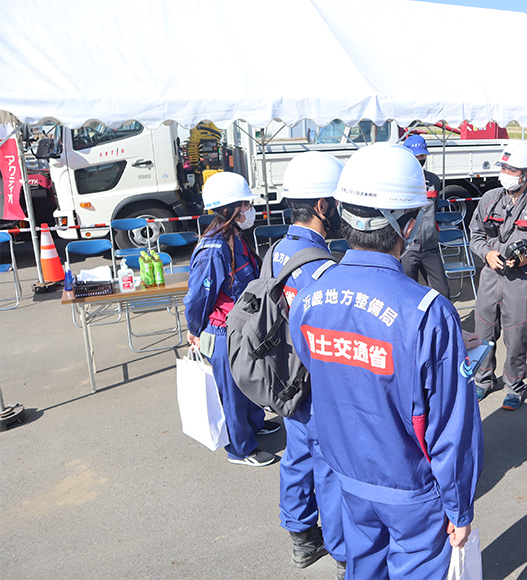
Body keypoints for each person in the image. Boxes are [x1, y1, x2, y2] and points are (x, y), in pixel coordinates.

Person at [287, 143, 483, 580]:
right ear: (408, 224)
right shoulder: (428, 311)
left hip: (345, 477)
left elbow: (313, 370)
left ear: (341, 212)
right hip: (410, 488)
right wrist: (459, 505)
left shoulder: (311, 292)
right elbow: (452, 425)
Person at [272, 152, 346, 576]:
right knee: (331, 467)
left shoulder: (278, 250)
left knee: (296, 456)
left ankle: (302, 539)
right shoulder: (321, 269)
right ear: (324, 206)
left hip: (286, 379)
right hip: (317, 385)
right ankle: (342, 552)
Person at [184, 172, 280, 466]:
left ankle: (253, 424)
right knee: (234, 393)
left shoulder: (234, 236)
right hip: (222, 332)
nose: (250, 209)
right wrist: (195, 330)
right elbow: (198, 297)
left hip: (241, 327)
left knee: (248, 381)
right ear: (230, 208)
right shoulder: (214, 249)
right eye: (245, 204)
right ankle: (240, 449)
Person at [469, 141, 527, 410]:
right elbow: (475, 235)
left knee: (516, 335)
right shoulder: (490, 199)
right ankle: (483, 380)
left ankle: (514, 386)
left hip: (520, 281)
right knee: (483, 331)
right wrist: (486, 253)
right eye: (505, 167)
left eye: (513, 169)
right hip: (490, 276)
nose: (507, 173)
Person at [400, 134, 450, 298]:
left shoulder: (434, 180)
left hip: (430, 247)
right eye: (416, 156)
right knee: (408, 294)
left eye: (422, 156)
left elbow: (433, 208)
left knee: (442, 293)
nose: (419, 159)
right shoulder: (399, 181)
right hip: (407, 249)